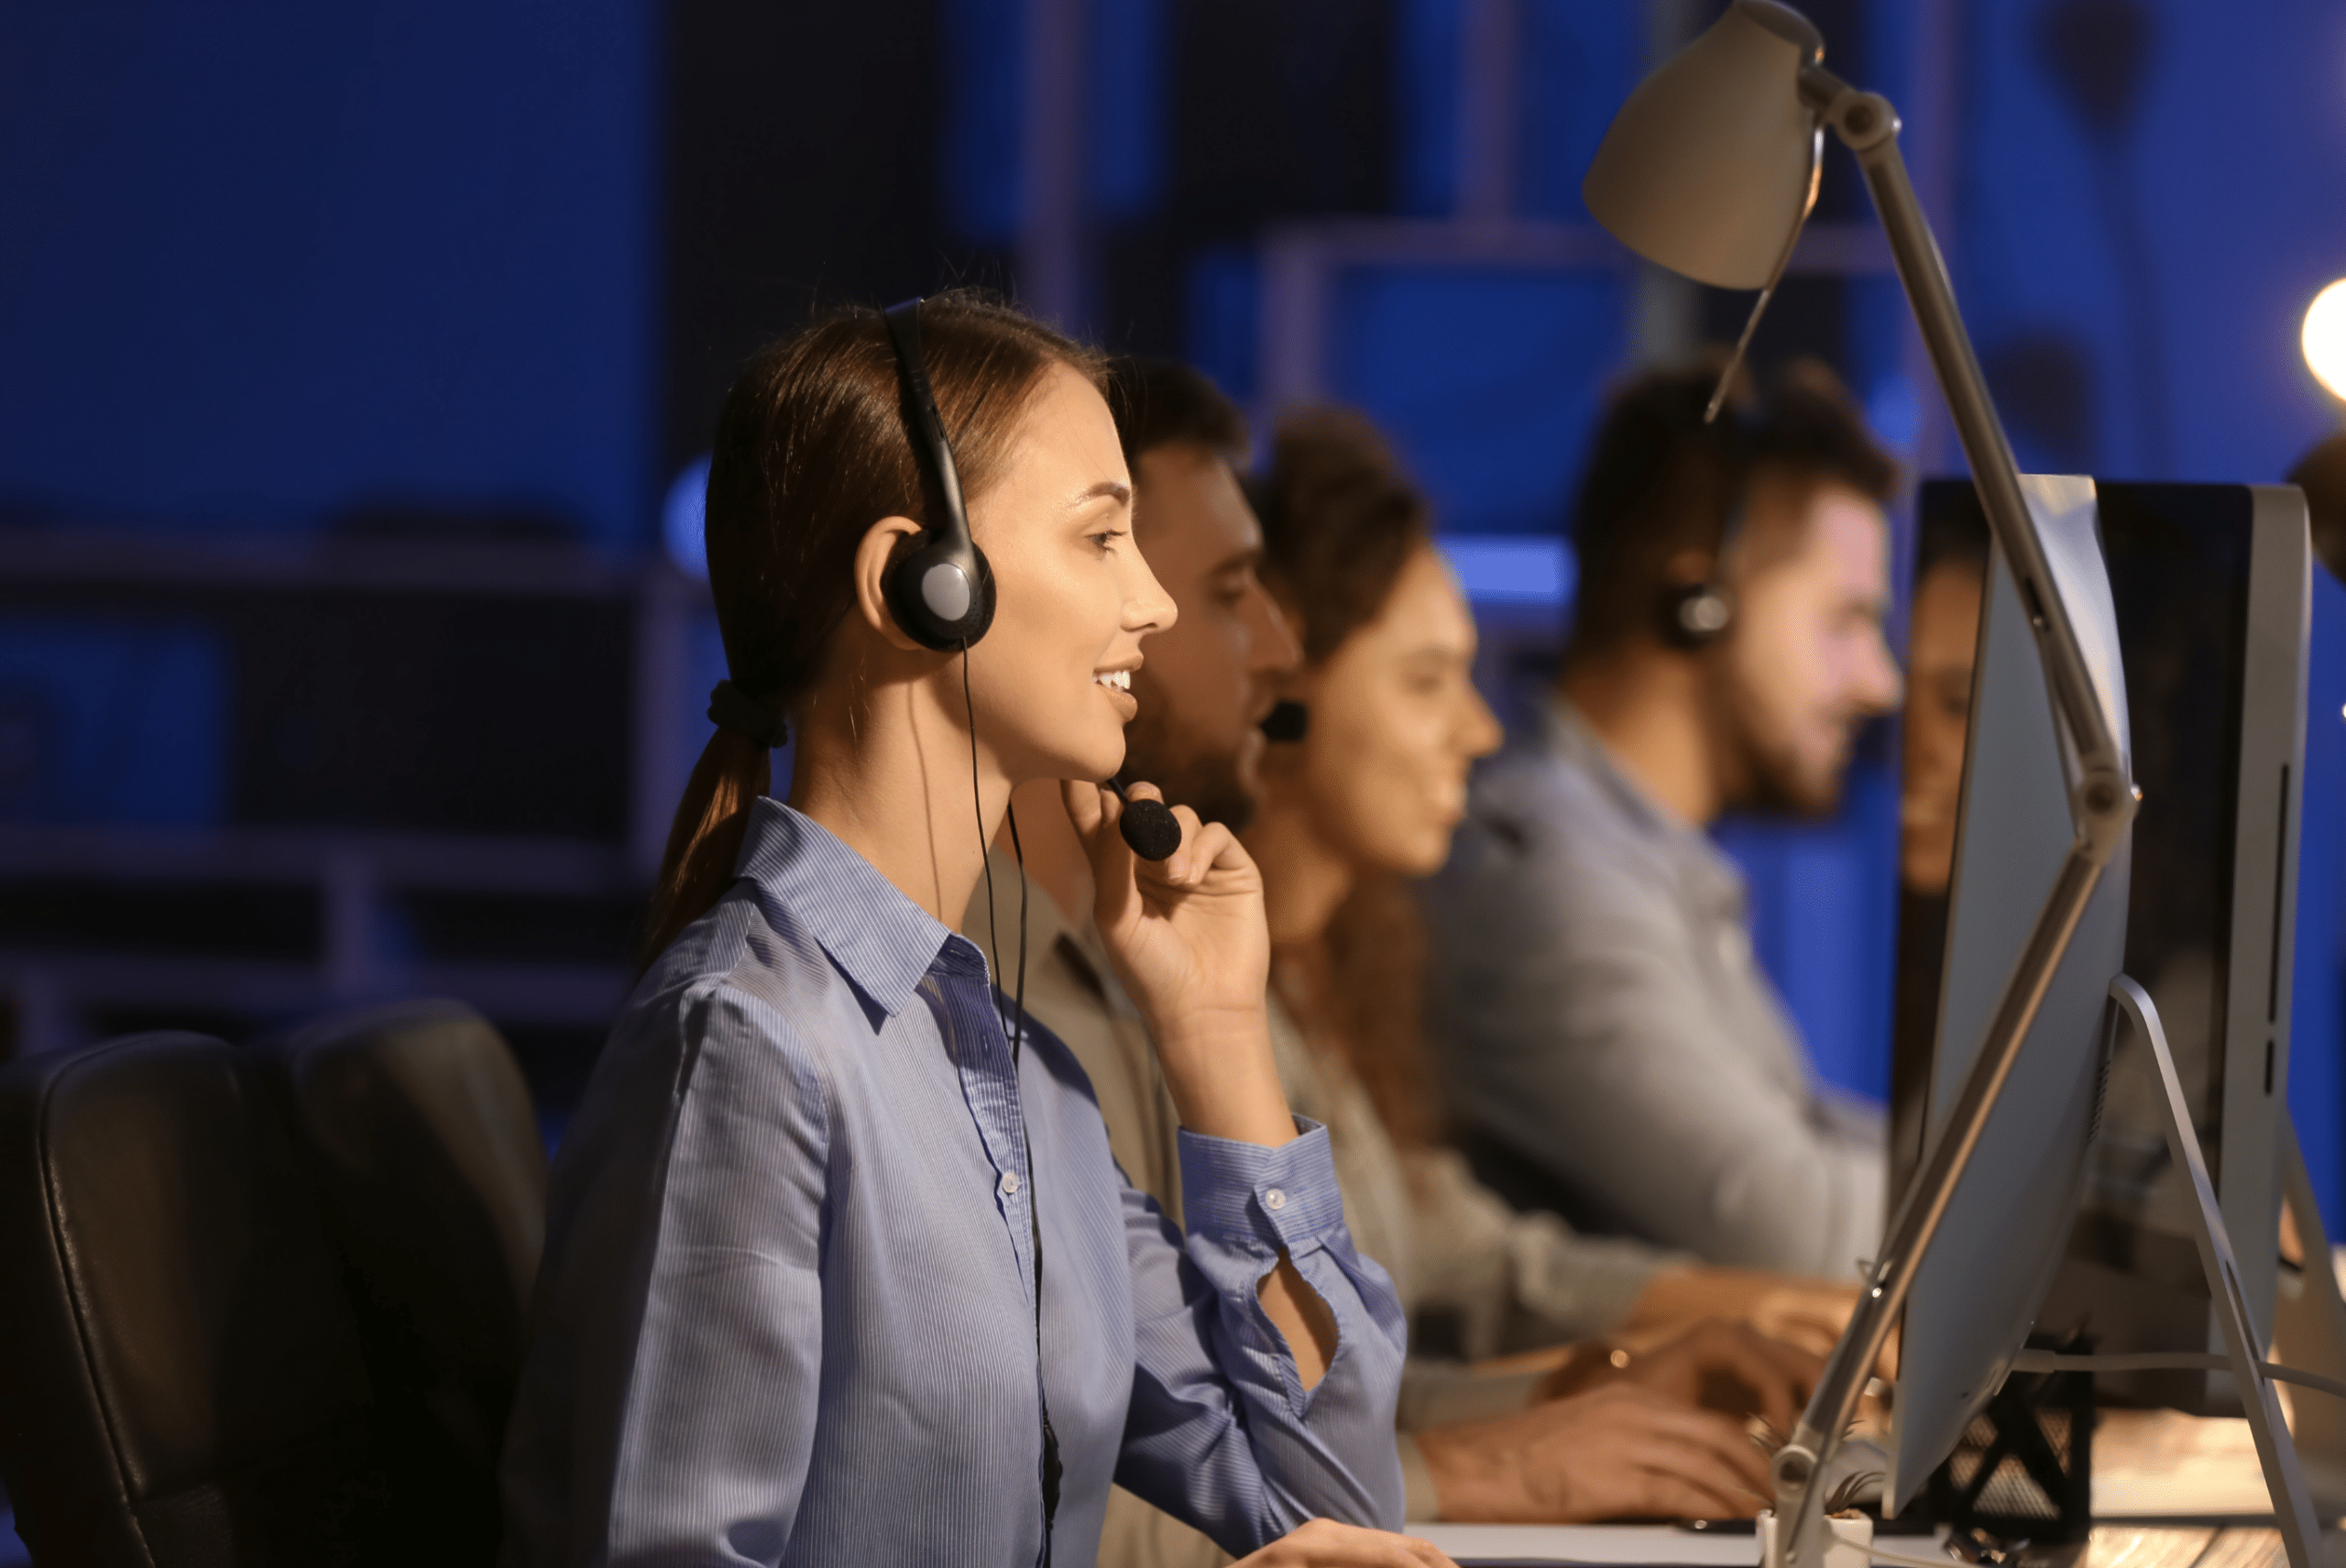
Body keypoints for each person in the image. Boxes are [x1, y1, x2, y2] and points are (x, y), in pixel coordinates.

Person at [501, 295, 1453, 1568]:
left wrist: (1219, 1032)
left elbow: (1326, 1503)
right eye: (1105, 537)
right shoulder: (746, 1043)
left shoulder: (1019, 1073)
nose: (1157, 603)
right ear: (920, 580)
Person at [968, 360, 1857, 1558]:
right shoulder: (990, 1002)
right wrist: (1513, 1446)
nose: (1266, 643)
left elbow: (1287, 1417)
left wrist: (1591, 1386)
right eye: (1231, 589)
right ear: (947, 590)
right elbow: (1078, 1494)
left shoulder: (1180, 970)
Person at [1424, 362, 1904, 1279]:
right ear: (1700, 605)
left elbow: (1806, 1126)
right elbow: (1802, 1231)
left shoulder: (1645, 865)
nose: (1879, 681)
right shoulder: (1550, 886)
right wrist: (2091, 1219)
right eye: (1844, 621)